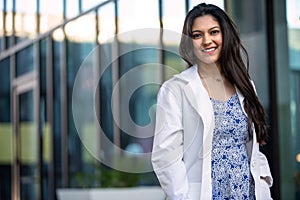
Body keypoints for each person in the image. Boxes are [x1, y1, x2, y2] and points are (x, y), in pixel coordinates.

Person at [151, 3, 273, 200]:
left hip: (247, 192)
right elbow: (165, 156)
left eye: (214, 32)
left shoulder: (245, 85)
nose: (207, 40)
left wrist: (264, 185)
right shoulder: (176, 89)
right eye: (197, 35)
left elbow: (253, 147)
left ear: (225, 35)